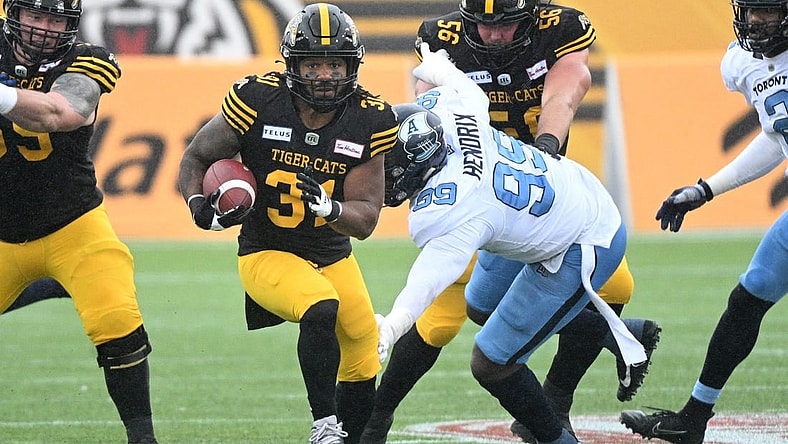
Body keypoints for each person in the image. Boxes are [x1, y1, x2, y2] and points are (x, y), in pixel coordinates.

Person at [361, 1, 655, 442]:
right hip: (534, 192)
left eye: (506, 25)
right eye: (482, 25)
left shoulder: (449, 207)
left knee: (483, 351)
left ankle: (553, 412)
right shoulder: (460, 101)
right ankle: (615, 336)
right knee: (480, 305)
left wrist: (394, 321)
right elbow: (450, 93)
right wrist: (439, 72)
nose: (494, 34)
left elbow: (429, 276)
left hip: (559, 215)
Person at [176, 4, 398, 444]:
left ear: (351, 67)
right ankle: (324, 426)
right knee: (320, 305)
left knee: (362, 348)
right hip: (267, 250)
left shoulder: (369, 119)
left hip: (330, 252)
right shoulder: (259, 100)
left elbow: (366, 217)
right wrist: (199, 205)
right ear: (293, 65)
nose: (324, 75)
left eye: (335, 65)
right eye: (313, 64)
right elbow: (196, 157)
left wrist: (331, 209)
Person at [620, 1, 788, 443]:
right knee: (748, 299)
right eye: (751, 11)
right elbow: (776, 135)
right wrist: (706, 189)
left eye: (768, 12)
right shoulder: (744, 63)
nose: (756, 21)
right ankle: (694, 419)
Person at [0, 0, 159, 442]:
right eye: (36, 16)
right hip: (2, 235)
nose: (45, 28)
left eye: (56, 19)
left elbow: (60, 112)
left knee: (117, 322)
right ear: (14, 13)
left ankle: (143, 438)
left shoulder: (87, 60)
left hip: (73, 225)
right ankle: (46, 286)